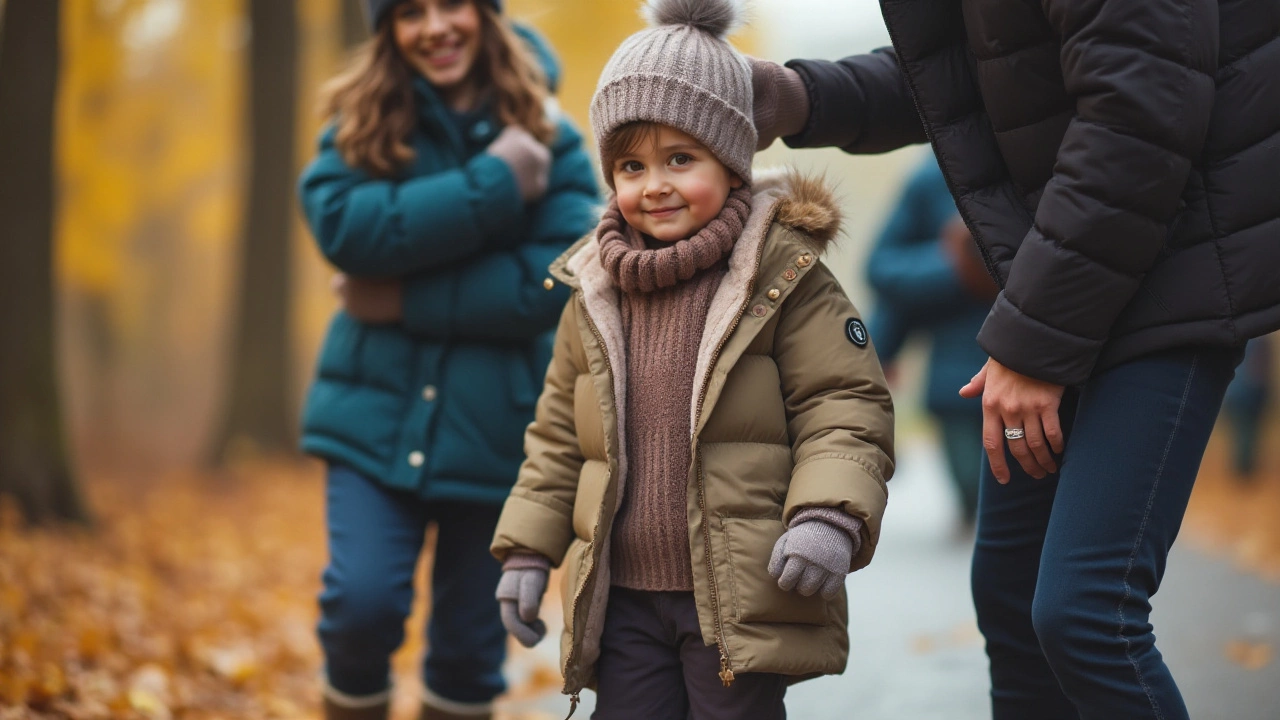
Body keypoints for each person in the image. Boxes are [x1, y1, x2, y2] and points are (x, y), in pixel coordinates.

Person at [750, 2, 1280, 718]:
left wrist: (1034, 345)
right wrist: (793, 95)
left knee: (1087, 613)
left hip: (1174, 271)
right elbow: (972, 70)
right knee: (1009, 597)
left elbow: (1139, 118)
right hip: (1077, 275)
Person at [487, 1, 895, 718]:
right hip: (625, 599)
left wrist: (829, 515)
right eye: (632, 165)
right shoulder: (593, 290)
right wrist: (526, 551)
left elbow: (845, 405)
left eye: (682, 158)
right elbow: (558, 438)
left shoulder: (782, 275)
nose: (655, 184)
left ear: (732, 161)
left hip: (736, 592)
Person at [296, 0, 598, 718]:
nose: (434, 27)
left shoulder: (551, 137)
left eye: (452, 4)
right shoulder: (364, 121)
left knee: (469, 648)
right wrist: (494, 184)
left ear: (486, 14)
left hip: (498, 432)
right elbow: (343, 229)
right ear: (387, 30)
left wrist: (400, 298)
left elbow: (554, 280)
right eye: (408, 11)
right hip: (370, 419)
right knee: (360, 605)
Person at [866, 152, 996, 528]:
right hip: (956, 383)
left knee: (1021, 508)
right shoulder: (932, 176)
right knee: (978, 497)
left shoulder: (1066, 156)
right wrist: (959, 265)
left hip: (1048, 373)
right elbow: (886, 271)